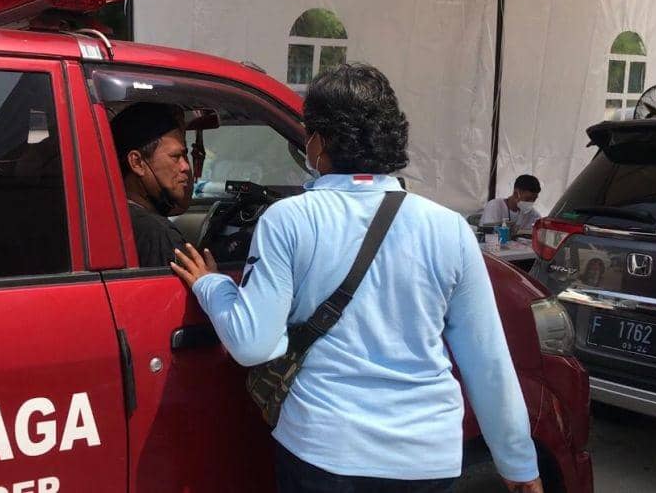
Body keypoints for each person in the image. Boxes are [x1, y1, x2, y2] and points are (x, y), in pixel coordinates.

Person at [171, 64, 542, 493]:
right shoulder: (449, 228)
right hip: (426, 458)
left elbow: (254, 344)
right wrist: (518, 463)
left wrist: (211, 284)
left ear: (318, 142)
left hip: (324, 451)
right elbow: (488, 359)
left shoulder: (288, 220)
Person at [110, 102, 193, 267]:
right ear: (137, 163)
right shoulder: (158, 234)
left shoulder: (114, 217)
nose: (186, 166)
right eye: (176, 156)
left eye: (185, 156)